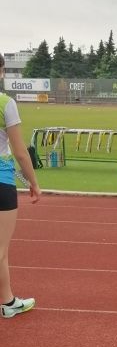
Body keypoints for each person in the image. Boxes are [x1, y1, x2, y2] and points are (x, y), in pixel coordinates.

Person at [0, 55, 42, 317]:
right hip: (2, 181)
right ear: (2, 71)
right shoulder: (6, 103)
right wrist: (33, 183)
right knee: (0, 249)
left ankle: (8, 301)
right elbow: (20, 152)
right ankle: (7, 303)